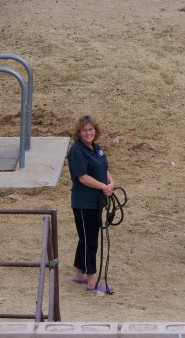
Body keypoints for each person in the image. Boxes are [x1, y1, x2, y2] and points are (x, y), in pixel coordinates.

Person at [67, 115, 115, 293]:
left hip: (96, 202)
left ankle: (79, 275)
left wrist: (111, 183)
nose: (88, 133)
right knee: (90, 241)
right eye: (84, 130)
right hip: (84, 203)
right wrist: (104, 186)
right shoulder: (77, 151)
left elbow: (104, 167)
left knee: (85, 238)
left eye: (91, 129)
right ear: (79, 133)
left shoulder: (96, 148)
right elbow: (83, 177)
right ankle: (92, 282)